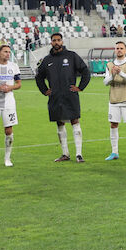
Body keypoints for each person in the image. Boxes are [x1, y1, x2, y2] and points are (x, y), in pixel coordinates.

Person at [35, 33, 91, 163]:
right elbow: (39, 77)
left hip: (70, 95)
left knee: (75, 121)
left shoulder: (71, 56)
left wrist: (80, 87)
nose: (56, 42)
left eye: (58, 40)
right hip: (55, 97)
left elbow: (85, 71)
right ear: (51, 42)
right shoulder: (47, 60)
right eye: (54, 40)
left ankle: (79, 154)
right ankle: (65, 153)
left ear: (62, 41)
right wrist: (44, 90)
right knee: (59, 123)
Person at [103, 42, 126, 161]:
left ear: (125, 50)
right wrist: (113, 75)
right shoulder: (109, 65)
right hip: (114, 100)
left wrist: (121, 73)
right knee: (113, 125)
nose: (119, 50)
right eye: (117, 48)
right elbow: (105, 82)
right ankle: (114, 152)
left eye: (121, 48)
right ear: (114, 50)